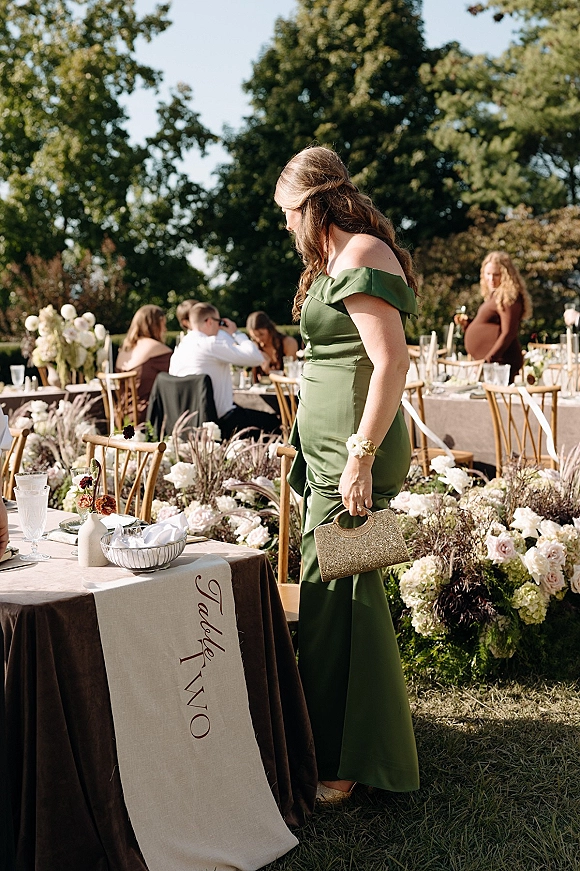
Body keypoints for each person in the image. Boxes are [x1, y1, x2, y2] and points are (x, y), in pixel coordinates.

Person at [275, 145, 419, 801]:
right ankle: (340, 746)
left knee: (343, 602)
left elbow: (391, 362)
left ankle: (350, 758)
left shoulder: (361, 253)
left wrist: (360, 452)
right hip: (329, 448)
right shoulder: (333, 260)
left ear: (313, 203)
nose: (285, 227)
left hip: (356, 450)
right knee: (336, 598)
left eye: (287, 213)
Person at [169, 303, 281, 438]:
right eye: (219, 322)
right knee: (275, 422)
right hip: (222, 423)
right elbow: (256, 357)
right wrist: (236, 332)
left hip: (189, 424)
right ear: (210, 321)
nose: (219, 326)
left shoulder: (179, 349)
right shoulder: (211, 344)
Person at [455, 252, 532, 382]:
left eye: (496, 274)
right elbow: (490, 327)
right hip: (492, 364)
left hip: (501, 364)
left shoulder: (509, 297)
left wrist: (488, 360)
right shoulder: (495, 295)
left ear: (507, 275)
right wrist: (468, 324)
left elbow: (509, 332)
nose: (491, 279)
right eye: (488, 274)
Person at [115, 305, 172, 422]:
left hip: (121, 415)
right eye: (163, 324)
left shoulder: (124, 350)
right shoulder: (157, 348)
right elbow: (176, 374)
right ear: (155, 325)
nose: (165, 329)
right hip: (146, 415)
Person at [246, 311, 299, 375]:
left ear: (269, 329)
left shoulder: (288, 343)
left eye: (261, 334)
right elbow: (248, 374)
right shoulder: (255, 346)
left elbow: (289, 373)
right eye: (254, 337)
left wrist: (268, 370)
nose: (258, 339)